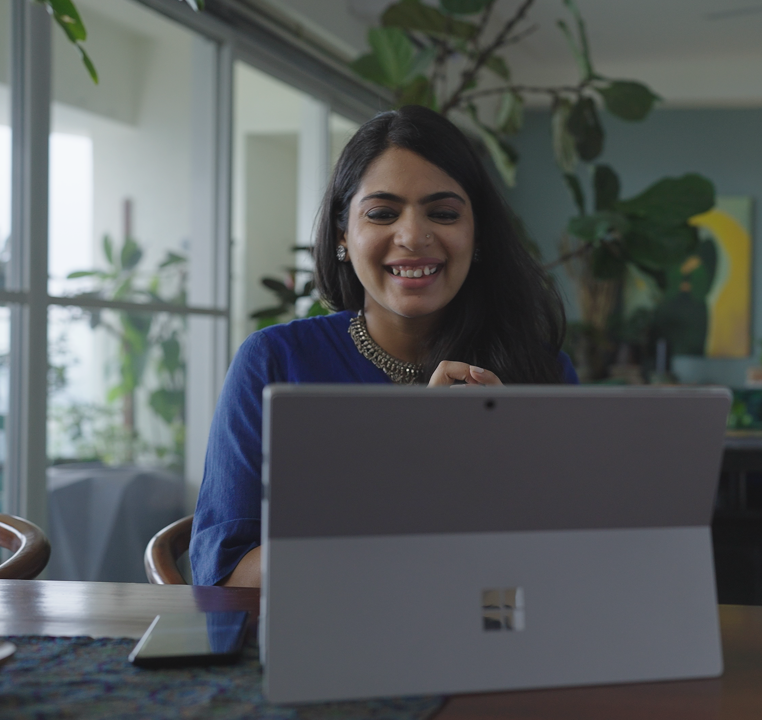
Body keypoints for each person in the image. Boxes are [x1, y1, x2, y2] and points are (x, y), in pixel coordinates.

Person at [190, 106, 576, 588]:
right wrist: (409, 476)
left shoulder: (542, 371)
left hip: (488, 640)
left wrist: (502, 453)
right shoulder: (274, 362)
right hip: (325, 648)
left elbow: (563, 569)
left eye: (444, 213)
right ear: (342, 237)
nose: (413, 236)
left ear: (477, 236)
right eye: (382, 213)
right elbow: (222, 574)